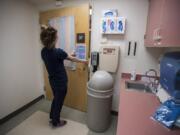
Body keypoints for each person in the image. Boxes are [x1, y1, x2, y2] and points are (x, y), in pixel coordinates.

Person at [40, 26, 87, 127]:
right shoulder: (58, 52)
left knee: (56, 99)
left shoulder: (43, 52)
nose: (58, 37)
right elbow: (71, 59)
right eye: (56, 36)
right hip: (61, 82)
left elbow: (61, 57)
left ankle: (52, 116)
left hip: (52, 81)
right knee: (59, 102)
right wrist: (84, 61)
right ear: (54, 39)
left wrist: (70, 55)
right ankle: (56, 121)